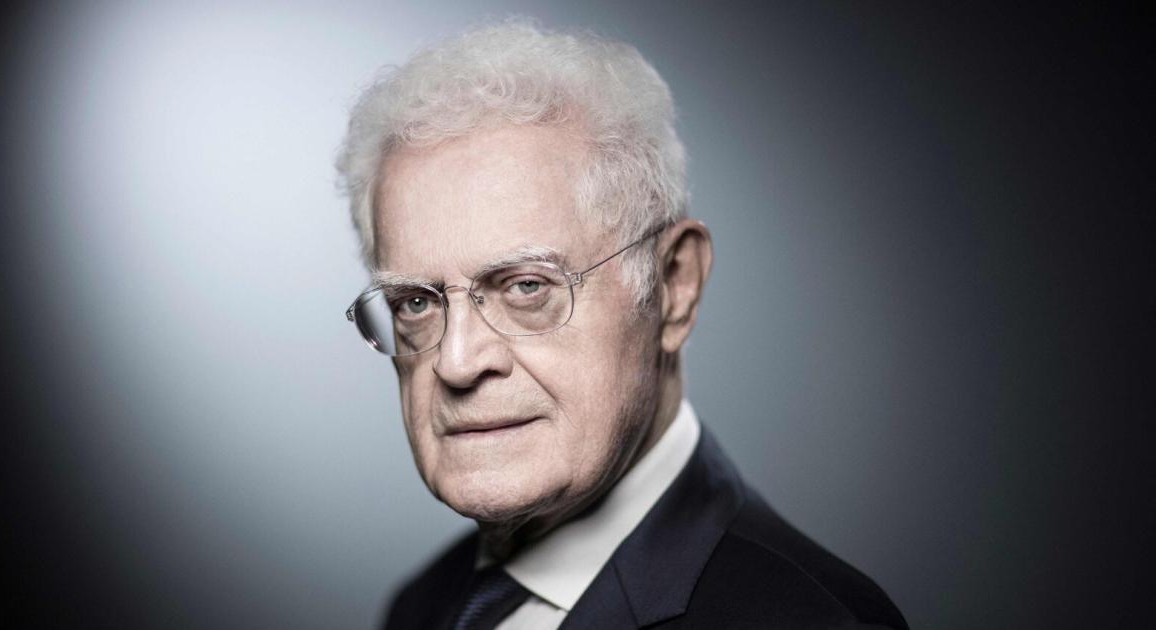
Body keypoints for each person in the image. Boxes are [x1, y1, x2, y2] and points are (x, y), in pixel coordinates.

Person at [336, 20, 908, 630]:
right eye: (415, 303)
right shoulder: (423, 607)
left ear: (674, 286)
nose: (456, 362)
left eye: (527, 287)